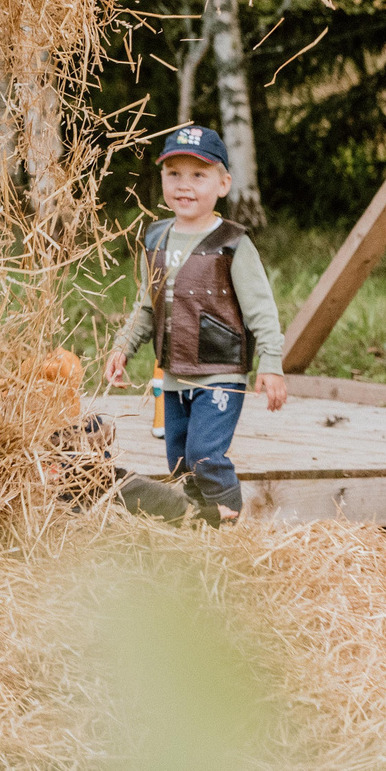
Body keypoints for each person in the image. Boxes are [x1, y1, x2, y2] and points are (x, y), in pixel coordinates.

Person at [103, 124, 287, 526]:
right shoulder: (155, 239)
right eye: (174, 174)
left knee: (206, 453)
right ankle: (195, 525)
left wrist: (271, 364)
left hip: (219, 371)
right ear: (162, 180)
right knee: (181, 459)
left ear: (223, 183)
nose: (184, 186)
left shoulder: (232, 243)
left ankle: (230, 528)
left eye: (198, 175)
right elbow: (145, 306)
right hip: (174, 373)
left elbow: (262, 310)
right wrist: (122, 349)